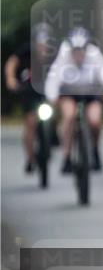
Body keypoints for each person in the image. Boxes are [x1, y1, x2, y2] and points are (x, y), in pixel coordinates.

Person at [44, 27, 103, 173]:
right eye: (75, 51)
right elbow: (53, 78)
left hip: (91, 93)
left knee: (95, 121)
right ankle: (67, 156)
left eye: (81, 50)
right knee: (69, 116)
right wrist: (52, 97)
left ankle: (95, 150)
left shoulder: (94, 54)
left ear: (86, 48)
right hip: (69, 93)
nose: (78, 54)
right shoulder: (64, 55)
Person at [4, 23, 57, 172]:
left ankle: (54, 134)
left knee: (58, 110)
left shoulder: (55, 53)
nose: (43, 47)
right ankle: (30, 157)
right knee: (31, 121)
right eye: (40, 43)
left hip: (48, 90)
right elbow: (12, 62)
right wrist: (11, 79)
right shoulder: (27, 50)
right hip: (29, 90)